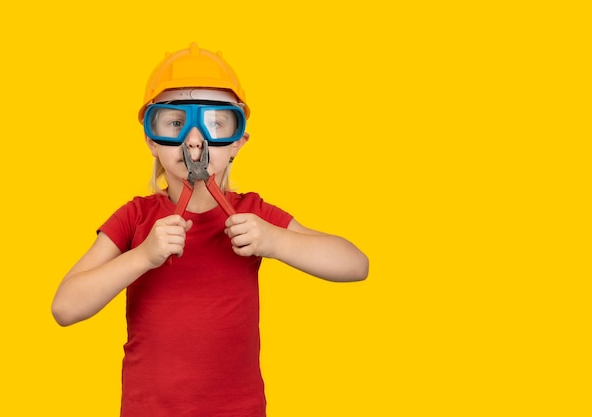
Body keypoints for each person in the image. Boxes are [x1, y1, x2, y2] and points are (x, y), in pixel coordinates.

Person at [51, 42, 369, 417]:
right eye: (175, 122)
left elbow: (355, 265)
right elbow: (65, 307)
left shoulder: (254, 213)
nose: (195, 139)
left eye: (216, 122)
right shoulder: (135, 218)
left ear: (237, 142)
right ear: (151, 140)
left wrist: (275, 240)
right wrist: (142, 257)